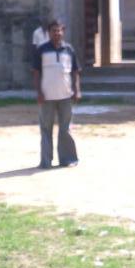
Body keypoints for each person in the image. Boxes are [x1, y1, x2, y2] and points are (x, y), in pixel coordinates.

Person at [32, 20, 81, 169]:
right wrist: (39, 92)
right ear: (49, 33)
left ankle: (68, 159)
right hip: (47, 96)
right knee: (46, 129)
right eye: (54, 30)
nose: (57, 33)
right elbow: (36, 73)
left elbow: (75, 72)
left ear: (63, 32)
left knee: (65, 129)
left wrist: (77, 90)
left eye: (59, 30)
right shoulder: (42, 50)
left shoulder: (69, 49)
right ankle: (46, 162)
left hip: (66, 95)